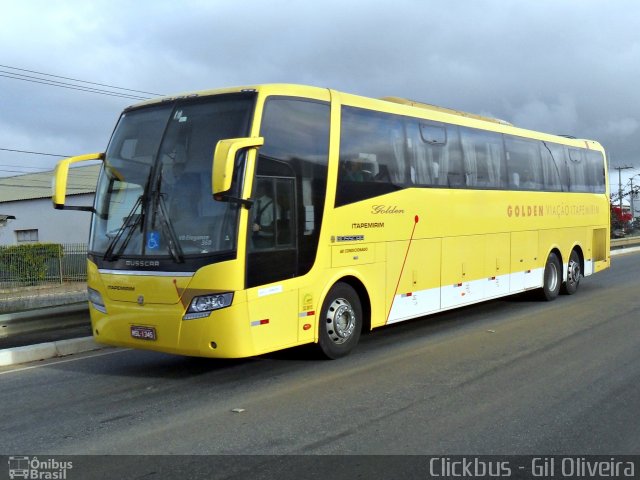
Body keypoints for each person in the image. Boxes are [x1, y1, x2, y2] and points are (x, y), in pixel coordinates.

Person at [252, 182, 279, 248]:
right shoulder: (253, 203)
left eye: (257, 188)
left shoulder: (273, 205)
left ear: (263, 190)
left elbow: (276, 227)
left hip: (266, 240)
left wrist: (260, 228)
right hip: (252, 239)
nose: (255, 190)